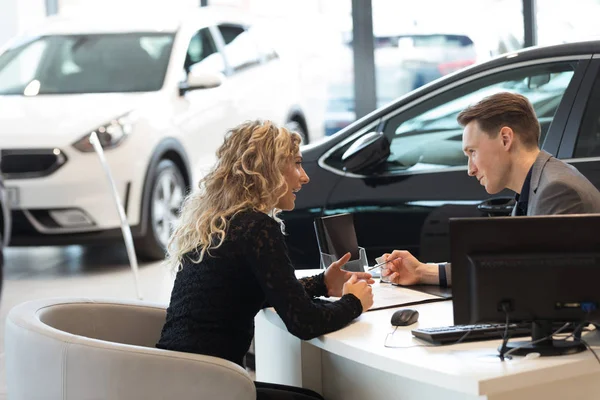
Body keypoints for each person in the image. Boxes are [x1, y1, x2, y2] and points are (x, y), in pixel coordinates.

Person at [157, 120, 374, 400]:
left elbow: (259, 293)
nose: (304, 177)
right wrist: (354, 301)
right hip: (207, 386)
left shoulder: (217, 223)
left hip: (171, 380)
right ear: (267, 170)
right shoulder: (256, 227)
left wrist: (323, 283)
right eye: (296, 164)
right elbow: (304, 323)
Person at [380, 92, 600, 287]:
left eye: (472, 152)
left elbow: (533, 282)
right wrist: (422, 271)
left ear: (505, 139)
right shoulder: (539, 184)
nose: (470, 170)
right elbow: (510, 265)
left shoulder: (556, 190)